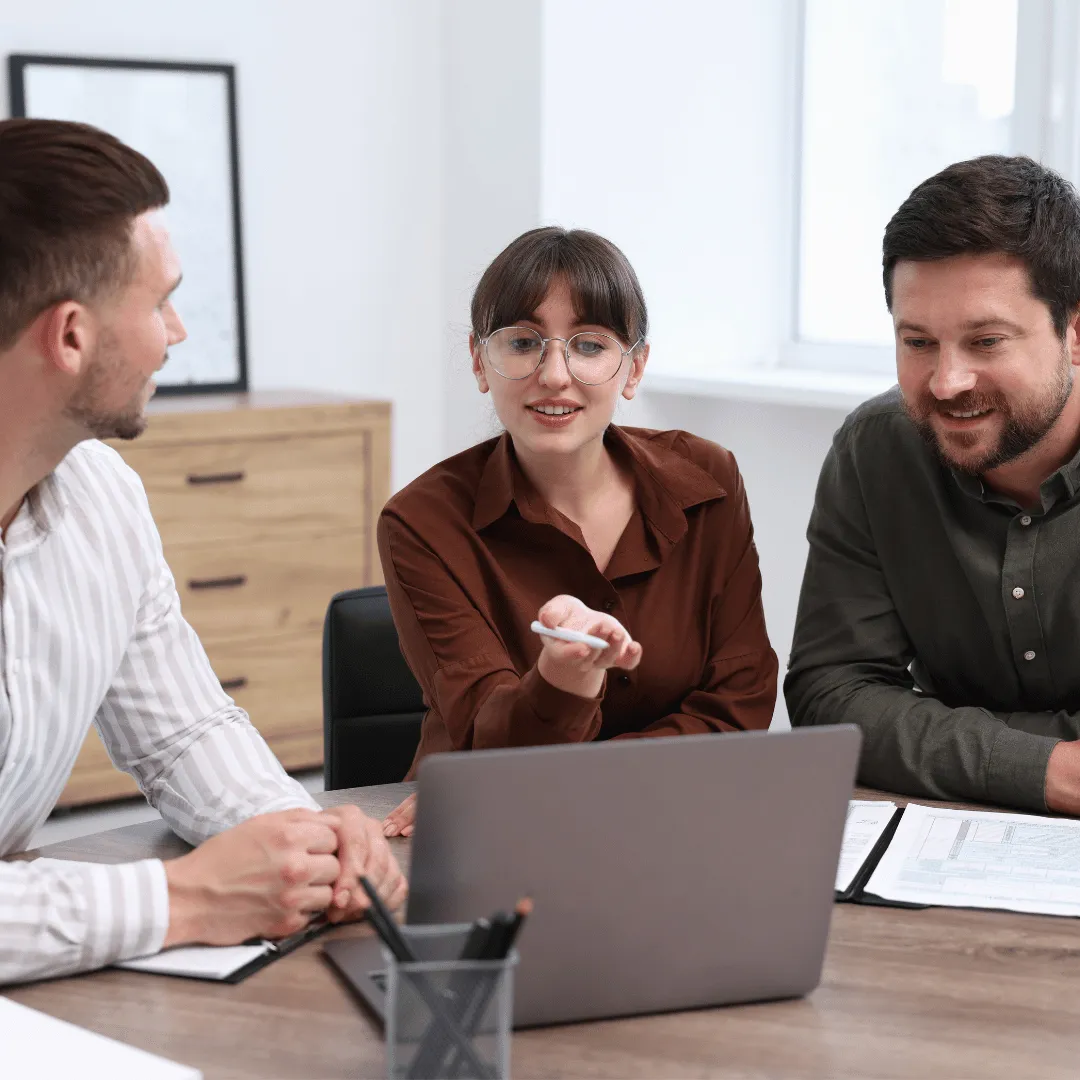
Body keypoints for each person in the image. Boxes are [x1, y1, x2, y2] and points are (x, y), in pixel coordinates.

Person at [0, 118, 405, 986]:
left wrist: (301, 839)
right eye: (159, 303)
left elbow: (181, 733)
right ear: (70, 336)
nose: (177, 334)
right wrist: (182, 898)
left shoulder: (101, 496)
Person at [381, 227, 777, 836]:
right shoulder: (422, 522)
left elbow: (740, 704)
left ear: (634, 367)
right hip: (490, 836)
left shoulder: (709, 481)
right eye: (522, 342)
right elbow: (490, 739)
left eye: (589, 345)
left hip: (675, 823)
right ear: (479, 361)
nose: (555, 374)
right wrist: (564, 680)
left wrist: (590, 781)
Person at [787, 154, 1080, 815]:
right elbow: (831, 696)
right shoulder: (877, 450)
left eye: (985, 342)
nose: (947, 382)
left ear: (1075, 333)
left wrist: (928, 733)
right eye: (918, 342)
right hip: (938, 859)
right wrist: (1051, 768)